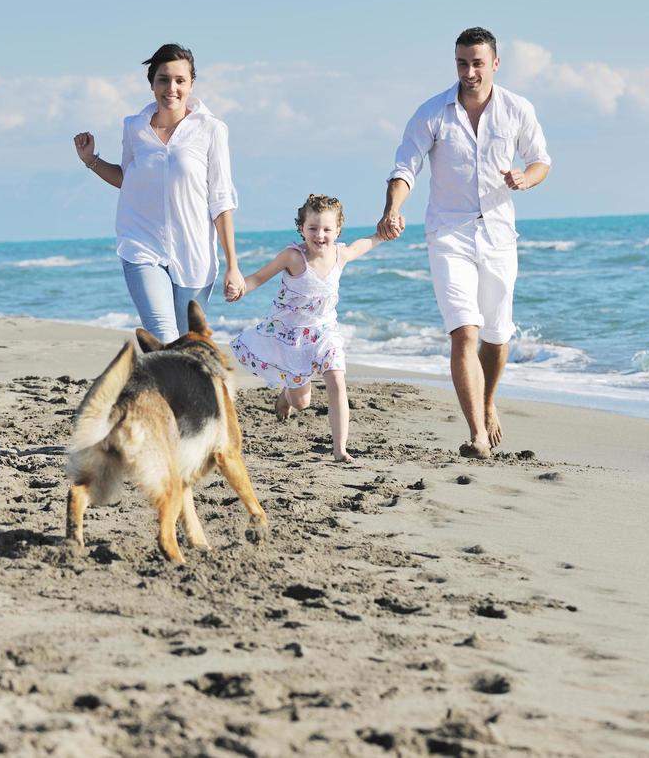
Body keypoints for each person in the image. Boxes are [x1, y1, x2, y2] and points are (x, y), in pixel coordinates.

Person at [377, 27, 551, 459]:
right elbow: (405, 167)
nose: (469, 71)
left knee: (497, 336)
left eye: (477, 62)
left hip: (498, 234)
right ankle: (476, 433)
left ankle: (488, 403)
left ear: (495, 63)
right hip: (448, 234)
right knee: (464, 333)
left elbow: (540, 160)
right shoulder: (432, 113)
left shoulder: (517, 109)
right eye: (461, 63)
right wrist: (393, 209)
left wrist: (524, 178)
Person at [73, 44, 245, 343]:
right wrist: (91, 160)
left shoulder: (211, 129)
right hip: (141, 243)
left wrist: (233, 265)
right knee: (162, 337)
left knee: (189, 343)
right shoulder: (134, 127)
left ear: (191, 83)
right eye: (163, 79)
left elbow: (221, 200)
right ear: (152, 84)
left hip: (194, 254)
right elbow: (127, 178)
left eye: (180, 80)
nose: (172, 88)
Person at [228, 195, 383, 463]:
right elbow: (259, 277)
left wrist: (382, 235)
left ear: (338, 231)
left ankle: (339, 449)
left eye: (327, 229)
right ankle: (286, 397)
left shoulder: (340, 254)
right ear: (301, 228)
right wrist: (240, 288)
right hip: (291, 336)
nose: (320, 235)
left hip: (325, 332)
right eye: (312, 228)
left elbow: (363, 245)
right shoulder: (293, 256)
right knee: (303, 403)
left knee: (336, 379)